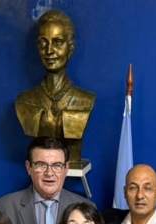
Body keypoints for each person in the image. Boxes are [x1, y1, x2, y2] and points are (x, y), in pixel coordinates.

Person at [14, 10, 95, 163]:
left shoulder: (86, 100)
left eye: (57, 42)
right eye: (43, 43)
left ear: (70, 48)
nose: (49, 51)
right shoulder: (24, 101)